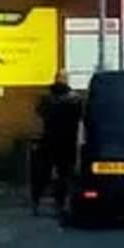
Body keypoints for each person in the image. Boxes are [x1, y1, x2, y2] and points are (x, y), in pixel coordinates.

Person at [31, 72, 82, 215]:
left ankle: (36, 202)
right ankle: (60, 204)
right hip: (67, 142)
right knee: (64, 175)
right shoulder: (75, 99)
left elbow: (39, 115)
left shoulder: (46, 98)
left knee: (43, 173)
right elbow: (80, 118)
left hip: (49, 140)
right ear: (66, 81)